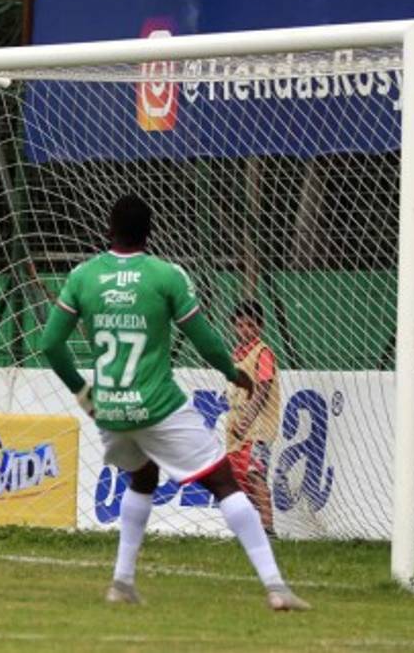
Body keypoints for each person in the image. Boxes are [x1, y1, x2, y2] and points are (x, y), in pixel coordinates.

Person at [38, 195, 309, 611]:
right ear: (150, 233)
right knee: (223, 483)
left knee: (143, 477)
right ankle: (275, 586)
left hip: (110, 410)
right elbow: (205, 339)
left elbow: (51, 345)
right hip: (158, 405)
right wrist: (234, 373)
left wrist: (86, 396)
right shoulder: (167, 275)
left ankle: (122, 583)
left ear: (108, 230)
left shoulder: (82, 276)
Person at [226, 299, 280, 536]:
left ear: (260, 326)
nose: (244, 330)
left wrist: (248, 417)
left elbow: (263, 387)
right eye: (240, 325)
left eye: (250, 325)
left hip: (258, 427)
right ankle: (253, 528)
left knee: (255, 472)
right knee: (240, 479)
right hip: (236, 428)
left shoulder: (263, 352)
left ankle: (268, 528)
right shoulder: (235, 355)